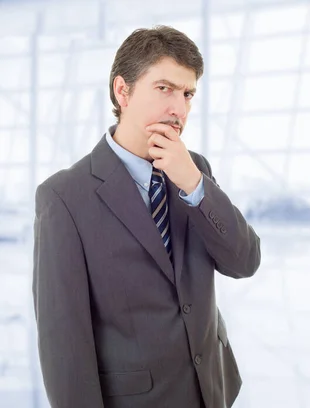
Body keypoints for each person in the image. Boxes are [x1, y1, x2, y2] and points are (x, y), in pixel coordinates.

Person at [32, 26, 261, 408]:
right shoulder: (64, 196)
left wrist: (194, 184)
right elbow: (64, 345)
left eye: (187, 94)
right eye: (164, 89)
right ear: (123, 91)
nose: (179, 108)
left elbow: (244, 262)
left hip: (212, 389)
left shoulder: (194, 170)